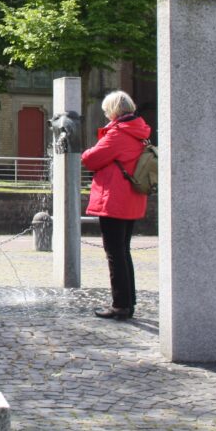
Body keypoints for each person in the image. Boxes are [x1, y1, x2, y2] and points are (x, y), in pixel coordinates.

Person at [80, 90, 150, 321]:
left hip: (114, 200)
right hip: (132, 198)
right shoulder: (140, 132)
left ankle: (120, 305)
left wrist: (90, 149)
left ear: (113, 111)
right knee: (123, 251)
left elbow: (90, 159)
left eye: (106, 111)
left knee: (114, 253)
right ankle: (129, 302)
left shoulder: (118, 134)